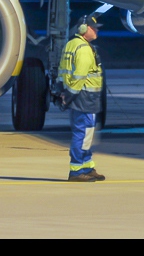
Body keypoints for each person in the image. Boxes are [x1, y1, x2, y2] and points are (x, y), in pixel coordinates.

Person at [59, 16, 105, 182]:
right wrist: (71, 94)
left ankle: (87, 166)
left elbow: (62, 70)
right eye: (94, 27)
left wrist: (63, 92)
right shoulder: (84, 49)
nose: (97, 30)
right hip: (85, 97)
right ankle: (77, 170)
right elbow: (80, 75)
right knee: (84, 132)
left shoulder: (71, 44)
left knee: (86, 132)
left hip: (78, 96)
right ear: (84, 30)